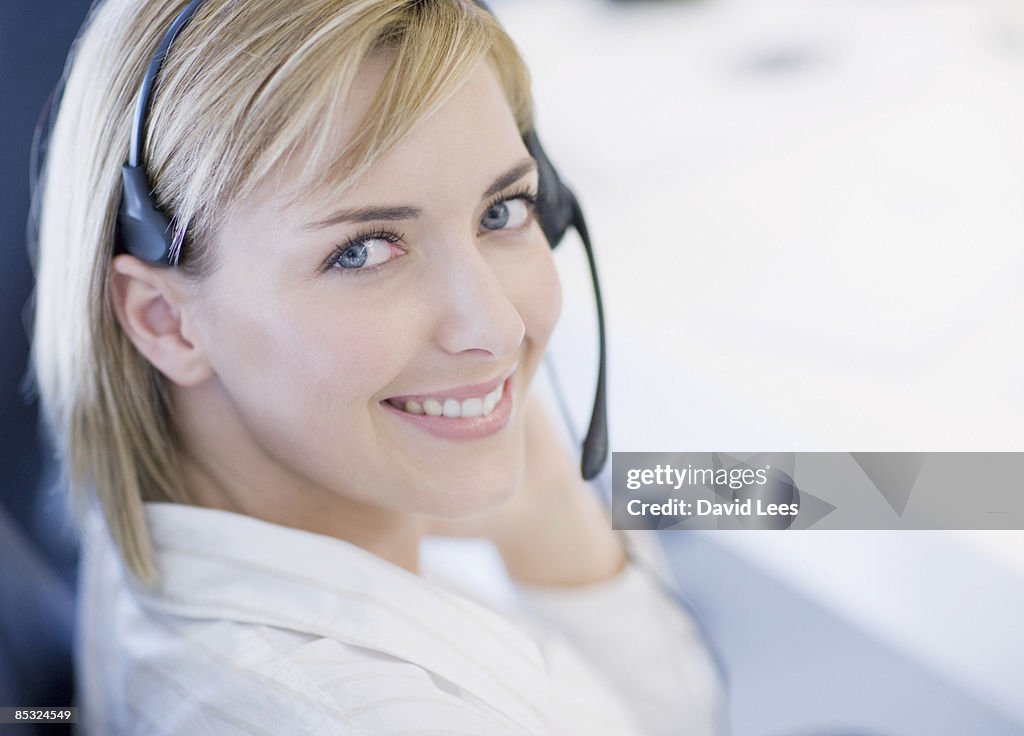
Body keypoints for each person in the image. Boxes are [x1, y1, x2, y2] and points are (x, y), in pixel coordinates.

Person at [30, 0, 722, 733]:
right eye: (362, 250)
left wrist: (552, 518)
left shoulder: (204, 498)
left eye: (502, 211)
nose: (496, 326)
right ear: (164, 319)